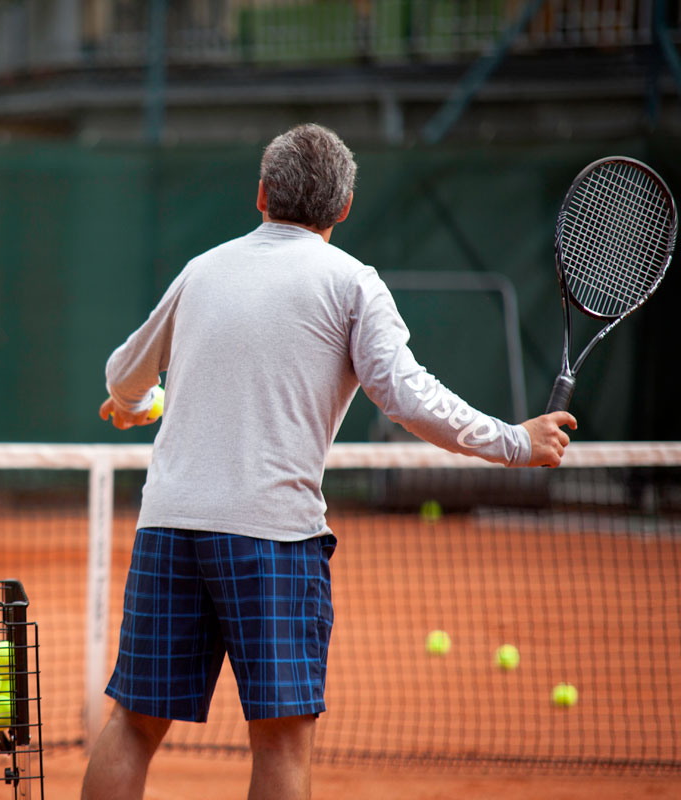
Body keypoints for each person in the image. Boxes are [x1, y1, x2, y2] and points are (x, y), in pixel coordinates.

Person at [83, 124, 577, 800]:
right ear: (342, 210)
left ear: (261, 194)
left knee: (135, 726)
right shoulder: (352, 283)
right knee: (283, 746)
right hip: (274, 540)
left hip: (169, 528)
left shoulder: (202, 270)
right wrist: (514, 441)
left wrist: (139, 401)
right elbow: (406, 397)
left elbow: (123, 374)